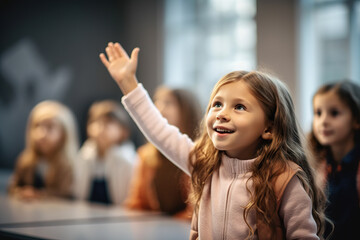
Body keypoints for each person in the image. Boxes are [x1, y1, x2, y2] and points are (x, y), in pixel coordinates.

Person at [99, 42, 327, 239]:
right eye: (217, 104)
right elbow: (160, 132)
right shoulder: (205, 164)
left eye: (239, 107)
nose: (221, 113)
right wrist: (128, 82)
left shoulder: (284, 178)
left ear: (269, 127)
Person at [125, 86, 201, 218]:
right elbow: (137, 203)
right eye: (157, 101)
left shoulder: (200, 155)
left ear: (187, 110)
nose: (159, 107)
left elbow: (198, 211)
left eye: (168, 102)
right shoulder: (146, 155)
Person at [309, 81, 360, 239]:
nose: (323, 121)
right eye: (318, 113)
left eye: (334, 113)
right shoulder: (315, 164)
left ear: (356, 120)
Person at [8, 101, 79, 200]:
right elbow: (12, 187)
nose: (41, 134)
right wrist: (21, 192)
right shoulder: (25, 161)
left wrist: (39, 194)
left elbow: (67, 194)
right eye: (37, 126)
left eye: (50, 127)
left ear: (64, 133)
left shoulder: (68, 165)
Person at [74, 100, 136, 205]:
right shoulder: (84, 156)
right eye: (96, 122)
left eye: (108, 122)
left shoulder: (128, 161)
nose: (100, 128)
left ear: (123, 130)